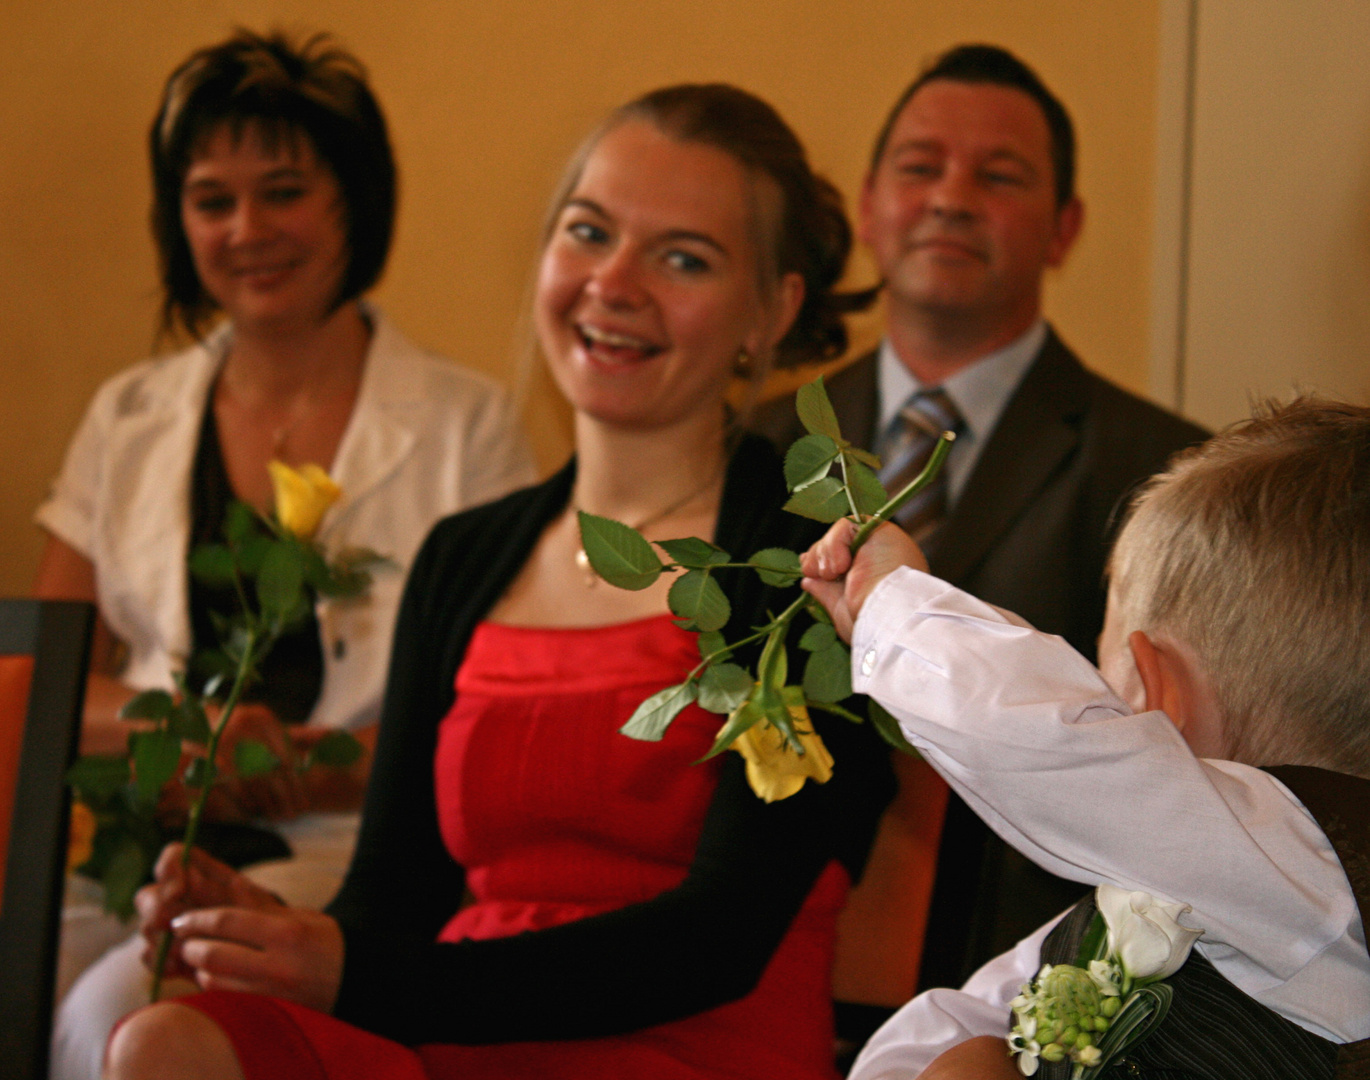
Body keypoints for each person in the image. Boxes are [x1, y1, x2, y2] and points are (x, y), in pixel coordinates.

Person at [102, 83, 895, 1080]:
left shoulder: (811, 569)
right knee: (163, 1040)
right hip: (454, 1035)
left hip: (686, 1049)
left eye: (681, 258)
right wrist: (277, 934)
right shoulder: (464, 557)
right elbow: (391, 904)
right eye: (588, 233)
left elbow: (714, 944)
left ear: (769, 310)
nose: (613, 283)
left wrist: (364, 974)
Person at [33, 30, 534, 1080]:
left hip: (348, 864)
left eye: (284, 191)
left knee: (115, 1016)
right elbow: (43, 686)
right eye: (212, 200)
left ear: (354, 201)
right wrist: (183, 739)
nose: (247, 230)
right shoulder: (126, 417)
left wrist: (305, 767)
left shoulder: (468, 428)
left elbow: (494, 714)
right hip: (135, 858)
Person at [752, 44, 1209, 1015]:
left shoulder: (1170, 474)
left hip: (1025, 989)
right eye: (920, 168)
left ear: (1063, 228)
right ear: (872, 201)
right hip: (761, 967)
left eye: (997, 177)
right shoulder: (755, 438)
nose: (950, 198)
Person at [798, 398, 1370, 1079]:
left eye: (1097, 674)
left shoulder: (1305, 864)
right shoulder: (1164, 888)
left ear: (1162, 699)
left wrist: (894, 600)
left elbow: (1032, 734)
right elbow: (959, 1019)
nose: (1090, 705)